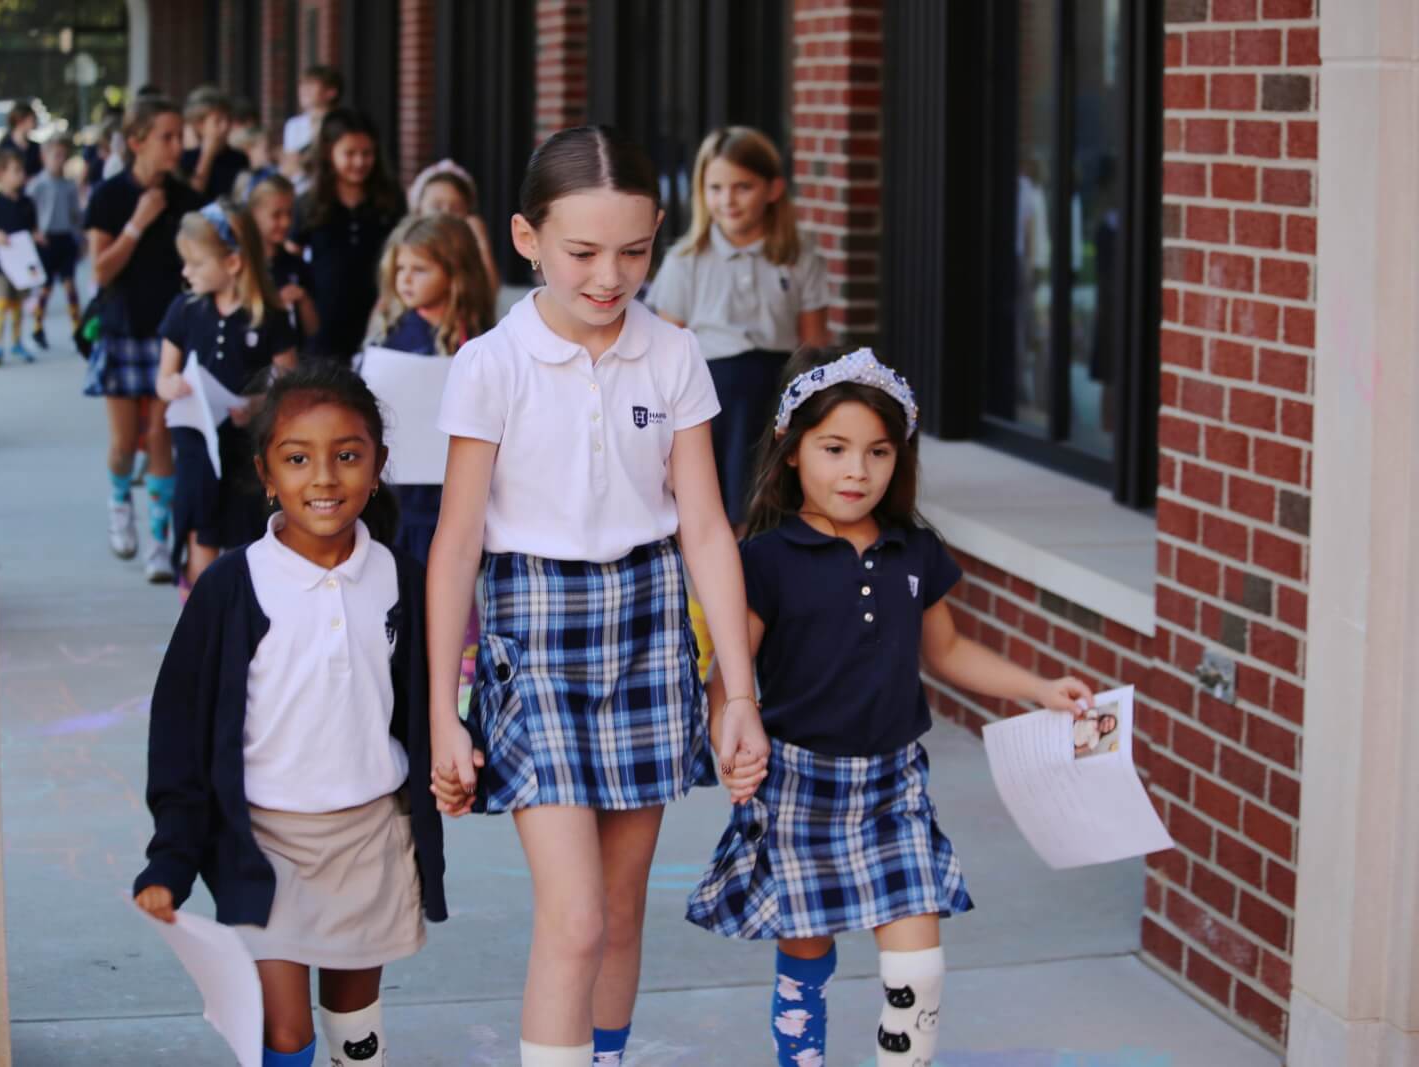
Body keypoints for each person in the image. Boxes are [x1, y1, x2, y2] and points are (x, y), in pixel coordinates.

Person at [426, 125, 768, 1067]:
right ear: (527, 238)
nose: (609, 276)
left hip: (651, 628)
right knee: (573, 917)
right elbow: (455, 544)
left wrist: (735, 693)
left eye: (632, 250)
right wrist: (442, 715)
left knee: (619, 912)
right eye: (582, 252)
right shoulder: (489, 365)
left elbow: (705, 529)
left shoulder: (674, 355)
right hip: (533, 634)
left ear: (659, 231)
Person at [683, 347, 1094, 1067]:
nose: (857, 471)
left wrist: (1038, 688)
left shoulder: (915, 550)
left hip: (893, 785)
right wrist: (730, 741)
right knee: (805, 956)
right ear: (790, 454)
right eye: (834, 449)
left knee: (919, 968)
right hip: (797, 784)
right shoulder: (765, 559)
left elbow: (949, 651)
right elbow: (730, 675)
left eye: (878, 452)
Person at [133, 360, 447, 1067]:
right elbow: (180, 731)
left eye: (347, 455)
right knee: (282, 1032)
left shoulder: (400, 577)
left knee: (355, 1028)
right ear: (267, 474)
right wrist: (172, 855)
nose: (325, 478)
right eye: (299, 458)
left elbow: (425, 702)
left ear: (379, 465)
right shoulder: (232, 588)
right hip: (265, 844)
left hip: (370, 834)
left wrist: (457, 761)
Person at [649, 127, 830, 532]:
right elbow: (664, 351)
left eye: (742, 186)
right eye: (716, 188)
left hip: (776, 394)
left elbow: (813, 341)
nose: (727, 200)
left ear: (773, 188)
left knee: (768, 507)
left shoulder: (799, 255)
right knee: (714, 505)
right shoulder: (685, 260)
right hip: (712, 398)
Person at [83, 94, 203, 580]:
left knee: (160, 436)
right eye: (167, 137)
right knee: (123, 440)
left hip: (170, 333)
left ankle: (159, 542)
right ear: (136, 142)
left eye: (180, 137)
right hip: (122, 329)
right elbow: (101, 270)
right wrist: (139, 221)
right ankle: (118, 506)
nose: (177, 146)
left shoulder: (188, 198)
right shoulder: (110, 195)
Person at [155, 201, 297, 589]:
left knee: (243, 545)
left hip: (245, 452)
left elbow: (287, 382)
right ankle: (198, 625)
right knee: (201, 535)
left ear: (232, 263)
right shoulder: (185, 310)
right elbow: (163, 376)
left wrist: (256, 405)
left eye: (196, 264)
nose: (186, 273)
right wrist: (171, 386)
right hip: (198, 445)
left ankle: (239, 624)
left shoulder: (269, 316)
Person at [364, 212, 495, 563]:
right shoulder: (393, 335)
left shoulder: (481, 336)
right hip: (406, 497)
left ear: (455, 274)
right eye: (400, 269)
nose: (405, 279)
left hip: (461, 493)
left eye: (419, 269)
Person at [290, 109, 404, 362]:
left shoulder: (390, 200)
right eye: (349, 154)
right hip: (324, 321)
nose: (360, 162)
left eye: (367, 153)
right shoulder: (309, 204)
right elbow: (291, 256)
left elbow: (401, 252)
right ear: (329, 153)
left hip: (379, 316)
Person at [408, 158, 501, 295]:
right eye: (436, 207)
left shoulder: (468, 252)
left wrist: (482, 243)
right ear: (419, 210)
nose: (446, 215)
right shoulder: (408, 248)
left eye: (456, 208)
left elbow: (490, 291)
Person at [26, 138, 84, 349]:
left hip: (65, 236)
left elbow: (76, 214)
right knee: (45, 287)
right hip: (46, 239)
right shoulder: (36, 185)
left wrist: (80, 236)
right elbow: (27, 212)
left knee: (70, 284)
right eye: (55, 156)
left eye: (63, 156)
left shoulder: (69, 185)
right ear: (45, 157)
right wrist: (33, 232)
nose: (60, 161)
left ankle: (77, 328)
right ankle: (38, 327)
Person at [248, 175, 320, 346]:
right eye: (276, 215)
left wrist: (303, 299)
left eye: (289, 213)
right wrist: (274, 303)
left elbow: (313, 329)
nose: (286, 222)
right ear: (254, 214)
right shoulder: (242, 264)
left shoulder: (296, 265)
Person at [0, 146, 42, 365]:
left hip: (23, 263)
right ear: (0, 173)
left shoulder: (27, 203)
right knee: (2, 303)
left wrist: (37, 237)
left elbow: (33, 229)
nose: (21, 175)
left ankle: (17, 341)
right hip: (2, 265)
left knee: (19, 305)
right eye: (16, 170)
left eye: (22, 170)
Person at [179, 86, 250, 206]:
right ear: (199, 125)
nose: (225, 127)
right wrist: (207, 156)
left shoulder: (239, 158)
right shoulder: (186, 159)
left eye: (228, 120)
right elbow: (191, 198)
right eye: (218, 121)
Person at [281, 65, 343, 183]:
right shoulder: (293, 125)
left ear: (331, 92)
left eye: (310, 85)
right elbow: (290, 166)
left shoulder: (342, 124)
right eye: (302, 85)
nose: (303, 90)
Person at [0, 101, 44, 178]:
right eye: (31, 119)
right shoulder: (5, 146)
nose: (34, 122)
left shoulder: (35, 147)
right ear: (20, 120)